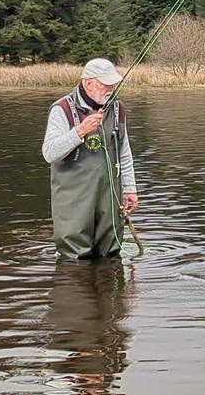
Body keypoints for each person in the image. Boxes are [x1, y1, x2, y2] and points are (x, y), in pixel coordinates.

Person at [42, 58, 139, 260]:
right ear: (88, 83)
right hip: (73, 200)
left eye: (113, 83)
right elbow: (49, 153)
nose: (111, 88)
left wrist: (130, 188)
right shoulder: (62, 109)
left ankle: (114, 291)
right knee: (74, 257)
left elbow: (124, 150)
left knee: (111, 254)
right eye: (106, 83)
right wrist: (79, 131)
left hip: (109, 197)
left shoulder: (118, 108)